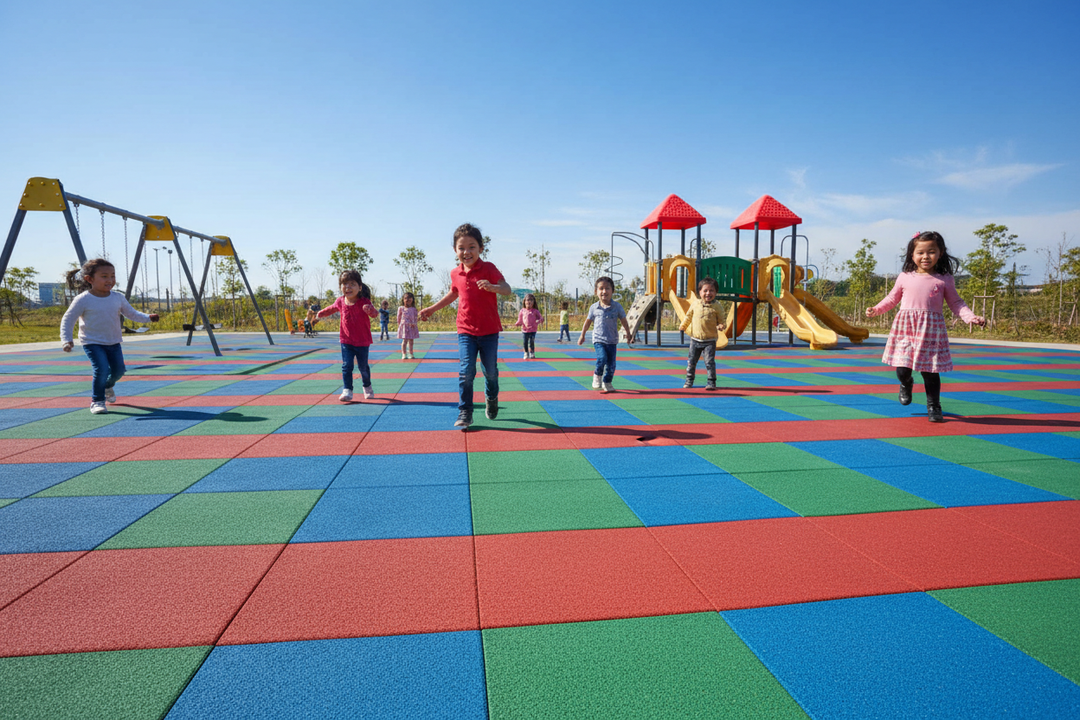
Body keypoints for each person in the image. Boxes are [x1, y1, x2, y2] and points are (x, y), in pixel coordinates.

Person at [866, 231, 986, 422]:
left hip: (931, 330)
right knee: (902, 368)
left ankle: (934, 406)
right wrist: (877, 309)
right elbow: (892, 298)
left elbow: (956, 303)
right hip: (906, 328)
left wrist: (970, 317)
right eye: (920, 252)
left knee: (930, 372)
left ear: (940, 253)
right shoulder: (905, 276)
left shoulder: (944, 278)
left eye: (931, 252)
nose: (925, 256)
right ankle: (906, 383)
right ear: (912, 255)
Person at [420, 223, 512, 428]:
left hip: (489, 331)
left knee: (490, 372)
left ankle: (491, 397)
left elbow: (507, 289)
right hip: (465, 330)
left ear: (480, 248)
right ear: (455, 250)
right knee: (466, 371)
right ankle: (465, 412)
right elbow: (453, 293)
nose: (466, 252)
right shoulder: (455, 273)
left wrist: (493, 287)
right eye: (461, 248)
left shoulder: (489, 268)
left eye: (472, 247)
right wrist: (432, 309)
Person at [60, 258, 159, 414]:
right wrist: (66, 340)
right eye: (104, 276)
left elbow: (131, 313)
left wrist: (147, 317)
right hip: (92, 341)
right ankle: (97, 401)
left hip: (113, 341)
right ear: (89, 279)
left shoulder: (117, 297)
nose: (110, 280)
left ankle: (107, 385)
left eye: (112, 276)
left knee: (119, 370)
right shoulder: (83, 299)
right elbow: (68, 319)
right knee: (101, 369)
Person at [317, 270, 378, 402]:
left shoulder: (364, 302)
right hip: (346, 341)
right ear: (340, 287)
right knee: (346, 365)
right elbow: (332, 308)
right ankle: (347, 390)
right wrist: (320, 313)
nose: (348, 287)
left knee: (363, 367)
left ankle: (367, 386)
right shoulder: (340, 301)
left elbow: (374, 314)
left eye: (352, 284)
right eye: (344, 284)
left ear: (360, 287)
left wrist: (371, 310)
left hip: (362, 341)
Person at [578, 276, 633, 393]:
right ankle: (597, 375)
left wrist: (628, 333)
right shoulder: (594, 307)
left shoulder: (617, 306)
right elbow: (587, 322)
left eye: (607, 288)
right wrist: (582, 335)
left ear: (612, 291)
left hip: (612, 340)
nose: (604, 291)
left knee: (611, 365)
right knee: (602, 358)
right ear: (596, 292)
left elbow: (623, 320)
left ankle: (607, 382)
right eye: (601, 288)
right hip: (598, 340)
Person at [680, 276, 726, 391]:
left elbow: (722, 319)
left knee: (709, 362)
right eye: (705, 290)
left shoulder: (717, 306)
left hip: (709, 341)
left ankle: (711, 382)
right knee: (691, 361)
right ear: (700, 292)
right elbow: (688, 316)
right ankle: (689, 380)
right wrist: (683, 326)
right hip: (695, 340)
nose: (708, 293)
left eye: (711, 291)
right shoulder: (695, 304)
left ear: (716, 292)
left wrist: (721, 325)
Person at [514, 293, 544, 359]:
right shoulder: (522, 311)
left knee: (532, 341)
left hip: (533, 330)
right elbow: (520, 319)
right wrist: (517, 323)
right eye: (527, 300)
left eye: (531, 300)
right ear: (524, 302)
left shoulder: (535, 311)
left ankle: (532, 352)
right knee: (525, 342)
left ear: (534, 302)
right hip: (525, 330)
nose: (529, 302)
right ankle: (526, 352)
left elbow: (540, 318)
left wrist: (539, 321)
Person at [397, 293, 419, 360]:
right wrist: (399, 325)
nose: (408, 299)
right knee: (405, 340)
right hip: (404, 326)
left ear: (412, 299)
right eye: (406, 298)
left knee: (411, 341)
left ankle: (411, 353)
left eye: (410, 298)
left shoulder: (414, 309)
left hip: (412, 326)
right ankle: (404, 353)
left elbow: (416, 317)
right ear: (403, 300)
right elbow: (398, 317)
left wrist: (415, 323)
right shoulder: (401, 308)